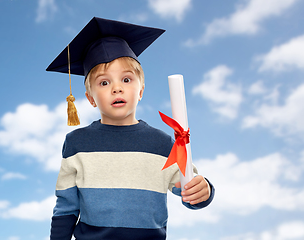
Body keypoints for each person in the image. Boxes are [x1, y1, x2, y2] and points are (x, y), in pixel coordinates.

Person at [46, 17, 215, 240]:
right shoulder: (77, 143)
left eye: (126, 80)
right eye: (104, 83)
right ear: (90, 98)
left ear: (141, 90)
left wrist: (204, 191)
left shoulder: (162, 144)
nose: (117, 88)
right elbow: (66, 207)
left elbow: (189, 188)